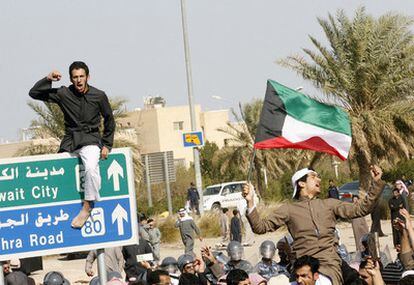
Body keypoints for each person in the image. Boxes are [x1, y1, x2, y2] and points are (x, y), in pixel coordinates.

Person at [242, 165, 385, 285]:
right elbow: (260, 227)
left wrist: (376, 183)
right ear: (301, 183)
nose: (319, 179)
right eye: (313, 176)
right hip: (303, 267)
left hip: (330, 265)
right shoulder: (289, 209)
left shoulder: (329, 204)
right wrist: (250, 202)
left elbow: (361, 209)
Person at [29, 62, 116, 228]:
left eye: (81, 76)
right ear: (71, 79)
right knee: (55, 172)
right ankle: (57, 214)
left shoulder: (99, 95)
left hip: (90, 139)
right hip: (70, 141)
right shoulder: (63, 93)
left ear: (87, 77)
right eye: (75, 77)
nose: (79, 80)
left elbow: (110, 120)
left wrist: (107, 145)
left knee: (91, 168)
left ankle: (87, 205)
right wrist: (48, 79)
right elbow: (34, 93)